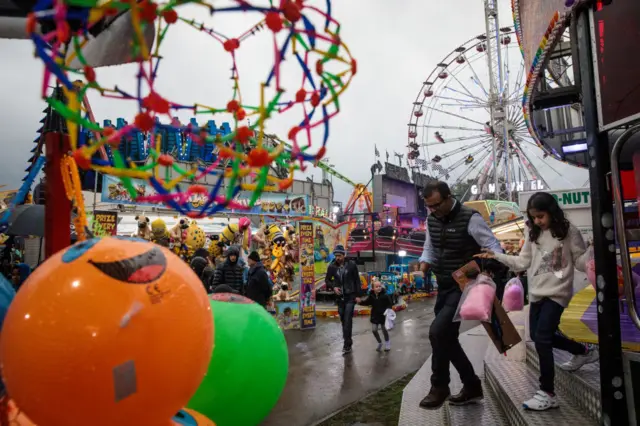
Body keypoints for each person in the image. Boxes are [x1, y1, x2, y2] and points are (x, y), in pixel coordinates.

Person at [476, 191, 599, 411]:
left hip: (558, 293)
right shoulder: (532, 232)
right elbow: (523, 262)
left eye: (541, 216)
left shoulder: (568, 231)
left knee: (542, 338)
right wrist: (496, 256)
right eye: (533, 217)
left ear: (551, 212)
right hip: (536, 293)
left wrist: (591, 254)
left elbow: (580, 261)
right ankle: (582, 351)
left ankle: (547, 392)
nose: (537, 221)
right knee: (540, 336)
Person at [418, 180, 503, 409]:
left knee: (437, 332)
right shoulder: (432, 219)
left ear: (448, 197)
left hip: (465, 285)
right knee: (446, 337)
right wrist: (424, 264)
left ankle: (439, 386)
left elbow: (495, 247)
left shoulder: (470, 218)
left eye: (436, 205)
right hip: (444, 284)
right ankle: (472, 385)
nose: (433, 211)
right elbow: (430, 247)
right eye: (429, 207)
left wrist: (487, 262)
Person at [325, 244, 361, 354]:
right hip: (339, 298)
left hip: (350, 297)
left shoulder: (351, 265)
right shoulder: (332, 267)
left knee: (347, 320)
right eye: (336, 256)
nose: (337, 258)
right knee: (343, 321)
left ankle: (347, 344)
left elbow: (357, 280)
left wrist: (358, 295)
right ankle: (347, 340)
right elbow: (327, 280)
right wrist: (333, 287)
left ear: (344, 255)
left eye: (339, 255)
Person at [356, 278, 393, 352]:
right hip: (375, 316)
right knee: (374, 330)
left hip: (383, 316)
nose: (379, 288)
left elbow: (390, 304)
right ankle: (379, 342)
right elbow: (366, 302)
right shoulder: (371, 296)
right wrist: (360, 302)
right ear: (373, 288)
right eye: (377, 287)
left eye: (380, 286)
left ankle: (387, 343)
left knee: (384, 330)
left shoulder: (385, 295)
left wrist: (388, 310)